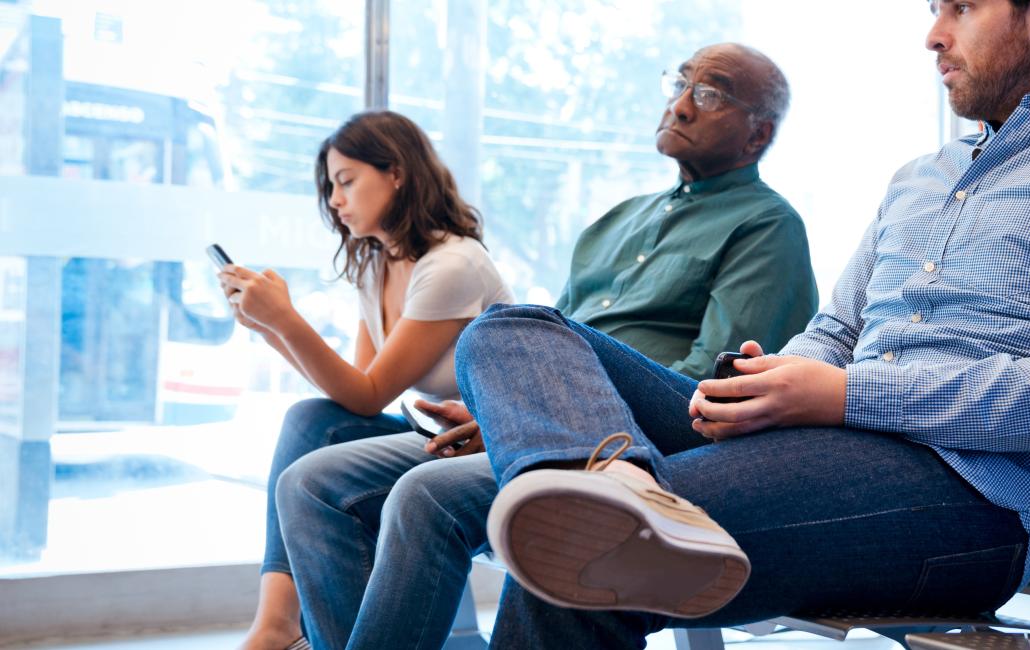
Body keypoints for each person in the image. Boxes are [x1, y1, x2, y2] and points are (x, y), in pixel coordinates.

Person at [457, 0, 1030, 647]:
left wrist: (845, 396)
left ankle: (616, 501)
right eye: (934, 12)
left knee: (587, 555)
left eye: (961, 7)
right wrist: (771, 379)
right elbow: (834, 334)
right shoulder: (922, 177)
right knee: (512, 329)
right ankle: (620, 484)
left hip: (973, 502)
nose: (933, 35)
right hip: (828, 445)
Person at [274, 43, 818, 650]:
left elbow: (705, 394)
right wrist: (504, 411)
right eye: (680, 84)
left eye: (710, 95)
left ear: (756, 135)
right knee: (311, 483)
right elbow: (551, 346)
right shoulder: (615, 222)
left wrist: (541, 421)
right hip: (533, 427)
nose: (681, 105)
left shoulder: (767, 227)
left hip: (635, 449)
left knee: (426, 494)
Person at [222, 111, 512, 650]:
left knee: (311, 451)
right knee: (311, 418)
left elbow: (370, 393)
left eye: (346, 180)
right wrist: (267, 327)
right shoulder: (375, 265)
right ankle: (277, 624)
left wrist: (283, 319)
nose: (334, 199)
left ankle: (286, 631)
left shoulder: (452, 266)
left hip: (481, 442)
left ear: (396, 172)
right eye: (331, 186)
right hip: (430, 436)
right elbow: (352, 393)